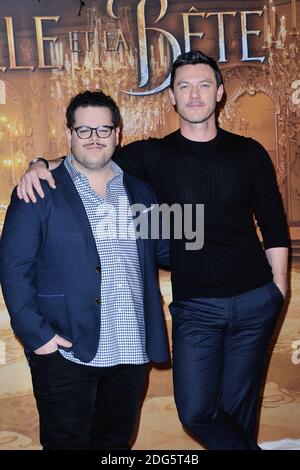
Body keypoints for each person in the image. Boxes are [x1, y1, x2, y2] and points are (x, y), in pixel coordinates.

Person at [16, 51, 289, 450]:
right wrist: (39, 162)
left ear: (220, 93)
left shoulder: (249, 152)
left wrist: (279, 288)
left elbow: (274, 225)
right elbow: (91, 153)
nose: (194, 95)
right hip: (196, 307)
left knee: (239, 410)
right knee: (196, 411)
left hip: (254, 300)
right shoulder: (149, 155)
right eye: (183, 86)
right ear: (172, 99)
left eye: (203, 85)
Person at [0, 90, 170, 450]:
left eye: (103, 130)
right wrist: (39, 337)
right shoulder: (39, 190)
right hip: (65, 349)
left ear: (118, 134)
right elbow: (14, 268)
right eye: (84, 130)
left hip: (130, 349)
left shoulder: (140, 191)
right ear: (69, 135)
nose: (94, 138)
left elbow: (166, 250)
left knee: (115, 446)